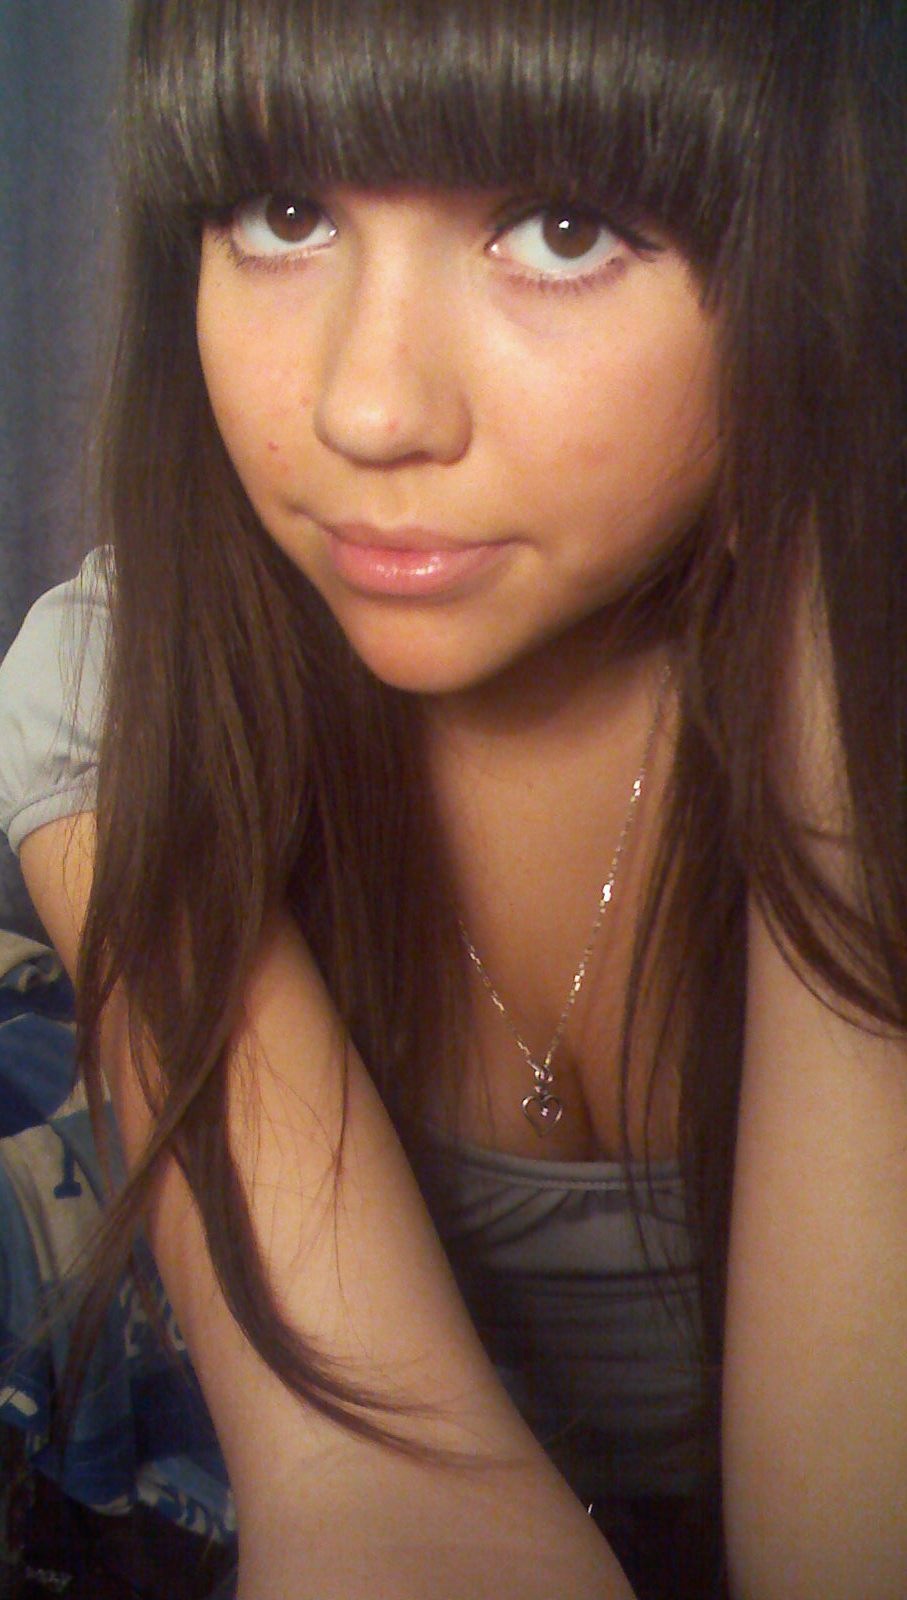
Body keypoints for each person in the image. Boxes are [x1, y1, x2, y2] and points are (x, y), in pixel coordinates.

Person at [1, 0, 905, 1595]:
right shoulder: (119, 699)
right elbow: (379, 1480)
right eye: (285, 214)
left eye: (561, 228)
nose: (368, 410)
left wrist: (837, 646)